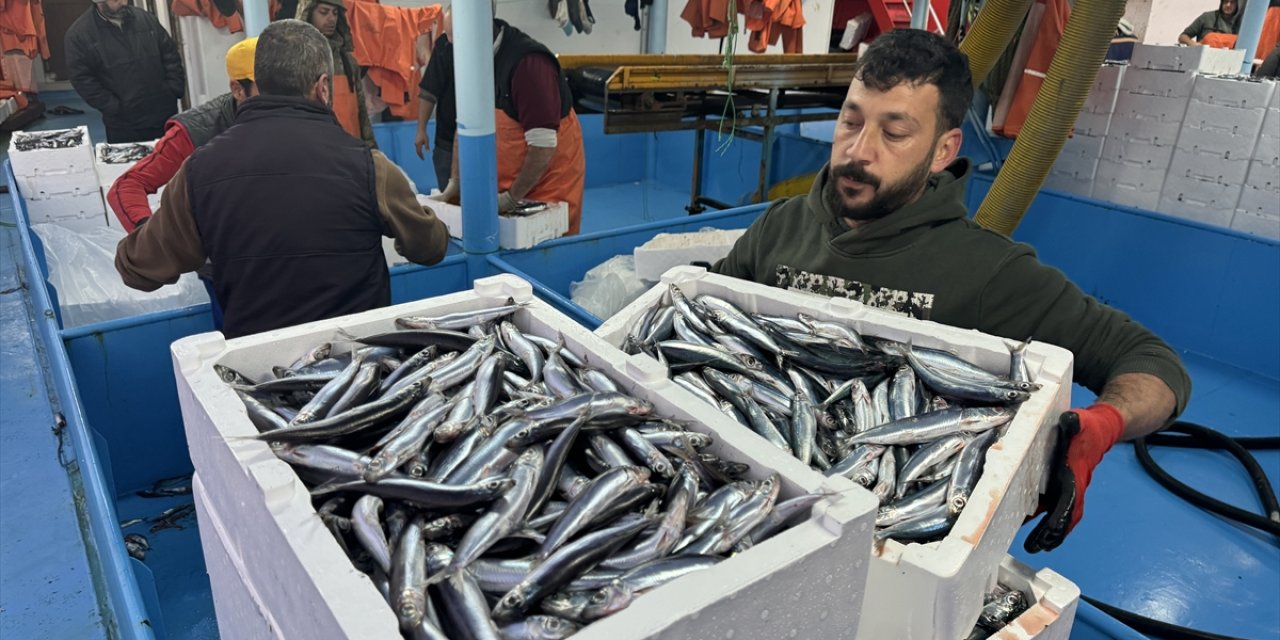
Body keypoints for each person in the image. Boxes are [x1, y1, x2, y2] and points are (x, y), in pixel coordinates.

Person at [713, 29, 1192, 552]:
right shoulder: (779, 227)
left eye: (894, 134)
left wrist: (1104, 423)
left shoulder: (987, 271)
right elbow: (705, 308)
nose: (857, 151)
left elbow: (1152, 362)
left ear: (944, 149)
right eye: (851, 121)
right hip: (747, 504)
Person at [114, 19, 449, 339]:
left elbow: (138, 269)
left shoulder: (198, 171)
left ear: (254, 84)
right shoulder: (368, 166)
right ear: (322, 88)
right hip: (358, 366)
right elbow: (430, 247)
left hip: (261, 372)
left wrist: (176, 231)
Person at [438, 2, 587, 236]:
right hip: (507, 182)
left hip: (548, 181)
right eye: (449, 39)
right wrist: (454, 184)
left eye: (457, 39)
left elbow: (543, 146)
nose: (452, 48)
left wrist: (510, 199)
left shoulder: (530, 65)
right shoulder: (471, 60)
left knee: (543, 243)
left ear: (479, 31)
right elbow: (463, 127)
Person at [107, 37, 259, 233]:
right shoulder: (194, 132)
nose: (282, 95)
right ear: (238, 89)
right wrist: (151, 239)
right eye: (267, 87)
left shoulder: (300, 115)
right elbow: (128, 186)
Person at [64, 0, 186, 143]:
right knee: (133, 165)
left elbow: (170, 54)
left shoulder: (146, 19)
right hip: (124, 125)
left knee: (173, 162)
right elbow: (81, 78)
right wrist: (113, 107)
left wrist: (174, 88)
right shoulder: (79, 35)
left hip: (164, 114)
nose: (123, 2)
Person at [297, 0, 376, 147]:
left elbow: (362, 114)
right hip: (317, 152)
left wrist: (372, 150)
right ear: (307, 14)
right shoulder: (296, 61)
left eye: (335, 13)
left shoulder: (349, 61)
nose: (331, 18)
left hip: (353, 151)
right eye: (324, 12)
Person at [414, 9, 456, 192]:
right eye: (448, 34)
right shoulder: (444, 45)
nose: (451, 40)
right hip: (446, 142)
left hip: (490, 143)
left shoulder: (496, 49)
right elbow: (429, 91)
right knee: (452, 205)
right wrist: (421, 129)